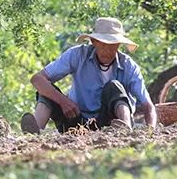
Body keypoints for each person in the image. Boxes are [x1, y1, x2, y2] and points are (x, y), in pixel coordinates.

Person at [20, 17, 158, 134]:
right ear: (94, 42)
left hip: (109, 123)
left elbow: (147, 105)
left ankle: (125, 129)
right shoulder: (77, 55)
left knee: (114, 86)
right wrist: (63, 101)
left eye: (113, 45)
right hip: (75, 120)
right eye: (104, 45)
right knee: (47, 91)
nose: (108, 51)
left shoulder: (128, 65)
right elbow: (37, 79)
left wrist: (151, 130)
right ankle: (34, 131)